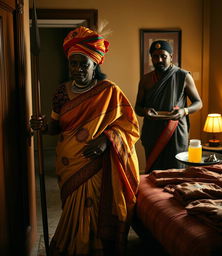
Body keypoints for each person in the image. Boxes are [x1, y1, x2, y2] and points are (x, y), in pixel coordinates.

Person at [30, 26, 140, 256]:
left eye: (84, 64)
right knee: (73, 208)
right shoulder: (62, 92)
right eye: (73, 63)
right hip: (69, 163)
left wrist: (105, 141)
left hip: (98, 163)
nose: (77, 69)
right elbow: (55, 126)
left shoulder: (110, 91)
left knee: (94, 207)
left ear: (95, 65)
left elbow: (129, 127)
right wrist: (41, 126)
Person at [135, 40, 203, 173]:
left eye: (163, 56)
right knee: (154, 173)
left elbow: (198, 103)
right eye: (155, 56)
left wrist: (184, 111)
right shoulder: (145, 80)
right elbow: (137, 107)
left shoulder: (183, 76)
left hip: (175, 131)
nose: (159, 60)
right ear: (151, 58)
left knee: (176, 171)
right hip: (152, 132)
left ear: (171, 57)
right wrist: (145, 110)